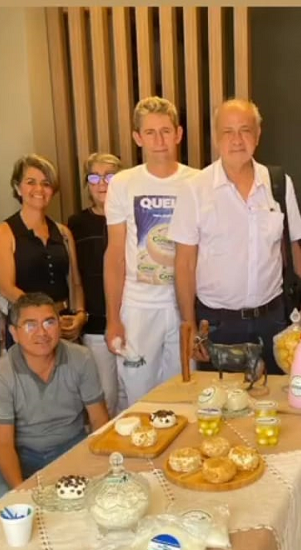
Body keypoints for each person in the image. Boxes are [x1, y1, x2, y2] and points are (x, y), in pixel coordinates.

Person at [170, 98, 301, 374]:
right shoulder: (194, 189)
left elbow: (293, 253)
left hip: (273, 321)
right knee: (219, 410)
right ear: (215, 138)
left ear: (257, 136)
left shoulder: (279, 183)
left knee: (274, 408)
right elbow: (184, 265)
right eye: (227, 131)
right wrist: (189, 327)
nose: (237, 140)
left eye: (245, 130)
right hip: (215, 325)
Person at [103, 96, 199, 403]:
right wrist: (113, 317)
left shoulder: (197, 182)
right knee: (139, 398)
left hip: (183, 308)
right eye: (150, 132)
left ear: (179, 134)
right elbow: (115, 254)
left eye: (166, 131)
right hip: (138, 307)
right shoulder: (123, 183)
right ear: (137, 137)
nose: (159, 140)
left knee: (184, 396)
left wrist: (195, 316)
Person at [0, 292, 109, 503]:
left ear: (59, 325)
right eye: (30, 325)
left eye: (49, 322)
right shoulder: (1, 373)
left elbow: (99, 420)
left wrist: (100, 465)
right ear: (14, 333)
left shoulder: (81, 358)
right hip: (22, 453)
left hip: (71, 446)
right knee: (0, 503)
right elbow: (3, 443)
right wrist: (20, 492)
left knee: (98, 496)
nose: (42, 333)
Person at [0, 154, 87, 348]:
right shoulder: (4, 232)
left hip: (64, 323)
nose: (39, 189)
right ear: (18, 187)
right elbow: (6, 288)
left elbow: (75, 283)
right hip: (27, 326)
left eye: (46, 183)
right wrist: (45, 317)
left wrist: (80, 315)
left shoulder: (63, 232)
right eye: (31, 182)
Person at [68, 152, 127, 416]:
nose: (102, 183)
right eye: (94, 177)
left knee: (133, 391)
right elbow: (75, 277)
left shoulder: (131, 218)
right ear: (87, 184)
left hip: (132, 318)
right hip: (95, 322)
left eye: (109, 176)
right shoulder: (76, 224)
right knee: (106, 395)